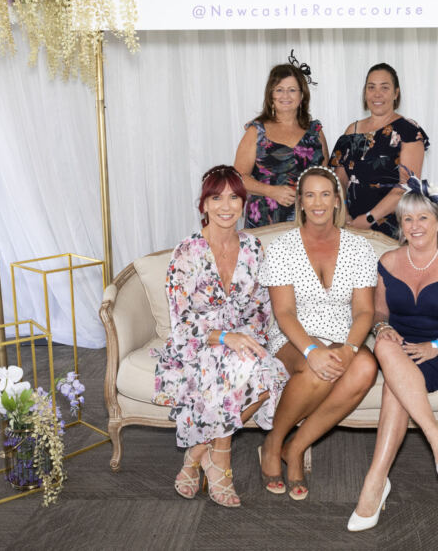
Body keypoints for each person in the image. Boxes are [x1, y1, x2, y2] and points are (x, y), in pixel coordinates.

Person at [348, 174, 438, 531]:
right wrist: (383, 327)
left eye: (423, 217)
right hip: (400, 346)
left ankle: (375, 483)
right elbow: (378, 312)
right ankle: (436, 438)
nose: (414, 226)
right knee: (385, 344)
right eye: (407, 218)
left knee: (395, 386)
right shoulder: (389, 261)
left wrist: (436, 346)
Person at [151, 165, 288, 507]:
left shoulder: (253, 248)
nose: (226, 206)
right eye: (216, 198)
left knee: (271, 375)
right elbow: (181, 323)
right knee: (233, 368)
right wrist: (226, 339)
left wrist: (246, 339)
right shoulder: (186, 252)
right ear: (203, 205)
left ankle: (198, 454)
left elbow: (261, 309)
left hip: (240, 340)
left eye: (233, 198)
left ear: (243, 203)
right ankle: (221, 460)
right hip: (196, 344)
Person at [258, 166, 379, 500]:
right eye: (309, 195)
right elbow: (284, 313)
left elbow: (364, 311)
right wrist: (312, 351)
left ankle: (295, 447)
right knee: (317, 370)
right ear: (300, 202)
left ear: (337, 200)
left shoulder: (359, 248)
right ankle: (273, 444)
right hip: (294, 335)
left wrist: (350, 350)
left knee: (366, 367)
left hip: (342, 333)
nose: (318, 202)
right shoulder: (282, 248)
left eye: (325, 194)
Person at [330, 62, 429, 240]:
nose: (377, 94)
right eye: (371, 87)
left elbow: (406, 186)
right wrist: (344, 214)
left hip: (390, 227)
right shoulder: (351, 131)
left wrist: (368, 219)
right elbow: (339, 180)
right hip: (350, 225)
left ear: (396, 93)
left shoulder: (408, 131)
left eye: (384, 87)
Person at [234, 63, 329, 228]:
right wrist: (271, 191)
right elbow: (238, 178)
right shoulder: (256, 132)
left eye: (292, 90)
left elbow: (326, 178)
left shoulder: (315, 132)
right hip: (265, 220)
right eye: (279, 90)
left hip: (310, 220)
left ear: (302, 96)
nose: (285, 95)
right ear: (271, 95)